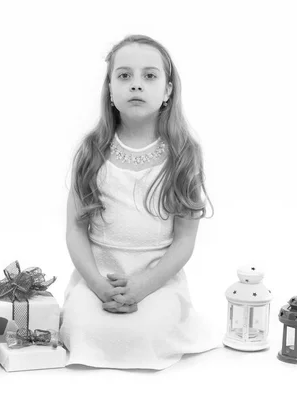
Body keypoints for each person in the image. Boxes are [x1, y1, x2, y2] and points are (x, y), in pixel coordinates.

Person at [60, 34, 220, 370]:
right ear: (110, 89)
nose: (136, 85)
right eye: (124, 76)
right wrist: (99, 286)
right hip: (99, 276)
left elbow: (185, 239)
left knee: (148, 331)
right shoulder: (91, 151)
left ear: (168, 90)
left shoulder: (183, 154)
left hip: (158, 279)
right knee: (82, 327)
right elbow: (75, 231)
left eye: (149, 76)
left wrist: (145, 286)